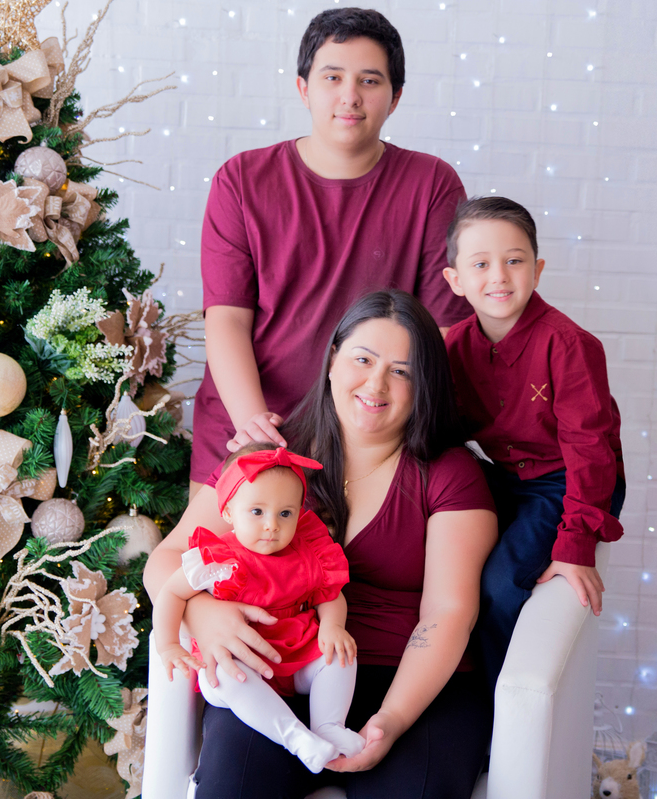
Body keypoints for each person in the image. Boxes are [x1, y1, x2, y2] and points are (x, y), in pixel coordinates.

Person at [145, 290, 498, 799]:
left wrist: (392, 720)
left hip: (413, 683)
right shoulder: (269, 455)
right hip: (282, 674)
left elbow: (447, 612)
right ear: (333, 359)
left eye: (402, 371)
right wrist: (200, 611)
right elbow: (168, 558)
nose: (376, 384)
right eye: (362, 359)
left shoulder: (450, 474)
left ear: (424, 387)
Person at [192, 7, 471, 497]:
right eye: (332, 76)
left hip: (371, 437)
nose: (350, 96)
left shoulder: (432, 184)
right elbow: (227, 320)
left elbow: (442, 329)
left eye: (370, 80)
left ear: (395, 97)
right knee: (216, 571)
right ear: (303, 88)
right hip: (249, 423)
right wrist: (256, 431)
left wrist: (381, 432)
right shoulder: (241, 180)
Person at [441, 197, 627, 692]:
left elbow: (590, 449)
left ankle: (497, 706)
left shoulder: (569, 345)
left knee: (500, 586)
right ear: (455, 280)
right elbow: (440, 429)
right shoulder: (454, 346)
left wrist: (575, 545)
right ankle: (440, 687)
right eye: (480, 264)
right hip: (505, 475)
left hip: (567, 478)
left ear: (537, 269)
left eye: (514, 260)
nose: (499, 276)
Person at [152, 444, 364, 774]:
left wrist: (333, 626)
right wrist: (168, 644)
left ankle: (328, 726)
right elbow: (171, 594)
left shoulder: (307, 551)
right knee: (225, 676)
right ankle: (296, 738)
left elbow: (330, 594)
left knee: (339, 654)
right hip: (240, 662)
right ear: (228, 512)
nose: (272, 525)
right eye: (257, 512)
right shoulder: (218, 558)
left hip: (295, 656)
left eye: (285, 513)